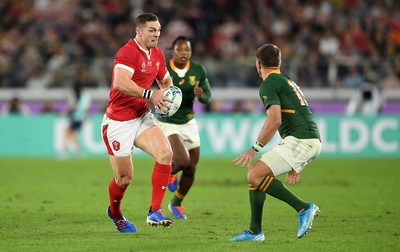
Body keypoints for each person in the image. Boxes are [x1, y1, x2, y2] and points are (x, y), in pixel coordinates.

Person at [229, 44, 322, 242]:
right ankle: (255, 232)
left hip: (301, 140)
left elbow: (274, 120)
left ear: (258, 64)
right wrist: (297, 162)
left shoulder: (269, 84)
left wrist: (254, 149)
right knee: (256, 177)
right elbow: (299, 115)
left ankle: (304, 208)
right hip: (308, 139)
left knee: (254, 173)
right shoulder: (287, 81)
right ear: (279, 63)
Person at [101, 13, 175, 233]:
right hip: (118, 121)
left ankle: (155, 210)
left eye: (159, 29)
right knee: (124, 179)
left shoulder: (158, 54)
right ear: (139, 31)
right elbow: (120, 83)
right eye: (152, 30)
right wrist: (151, 95)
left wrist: (168, 93)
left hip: (141, 116)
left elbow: (166, 79)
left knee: (166, 154)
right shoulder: (128, 52)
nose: (157, 34)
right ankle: (115, 213)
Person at [157, 36, 212, 220]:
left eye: (187, 50)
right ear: (172, 51)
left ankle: (176, 204)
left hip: (188, 122)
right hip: (167, 122)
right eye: (179, 50)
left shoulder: (198, 70)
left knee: (191, 169)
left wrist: (201, 95)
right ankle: (169, 173)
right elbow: (149, 88)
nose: (184, 53)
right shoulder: (163, 67)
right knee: (182, 161)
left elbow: (208, 96)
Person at [59, 83, 91, 159]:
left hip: (75, 118)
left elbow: (73, 108)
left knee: (66, 133)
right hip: (80, 118)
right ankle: (79, 152)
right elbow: (86, 108)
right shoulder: (85, 96)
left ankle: (64, 152)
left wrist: (64, 111)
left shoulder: (77, 96)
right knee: (72, 136)